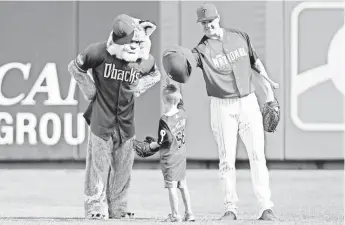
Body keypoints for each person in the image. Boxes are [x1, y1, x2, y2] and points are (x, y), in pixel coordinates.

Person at [190, 3, 279, 221]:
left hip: (249, 102)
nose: (208, 25)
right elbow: (185, 64)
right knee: (227, 159)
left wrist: (269, 95)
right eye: (203, 23)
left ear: (218, 18)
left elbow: (256, 64)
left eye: (210, 21)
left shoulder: (240, 36)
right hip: (222, 106)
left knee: (258, 155)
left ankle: (265, 207)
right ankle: (230, 208)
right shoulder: (201, 50)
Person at [67, 14, 161, 220]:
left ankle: (118, 209)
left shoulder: (144, 60)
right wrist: (90, 89)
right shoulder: (99, 52)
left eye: (134, 41)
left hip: (126, 124)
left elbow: (155, 75)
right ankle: (95, 208)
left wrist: (140, 86)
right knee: (97, 166)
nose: (130, 46)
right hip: (101, 119)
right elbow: (75, 67)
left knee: (123, 169)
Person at [139, 84, 195, 222]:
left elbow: (165, 140)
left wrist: (152, 146)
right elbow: (180, 102)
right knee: (183, 185)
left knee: (172, 187)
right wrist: (175, 90)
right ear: (178, 99)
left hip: (170, 158)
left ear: (164, 102)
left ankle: (175, 215)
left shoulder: (164, 119)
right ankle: (189, 213)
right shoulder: (182, 113)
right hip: (181, 155)